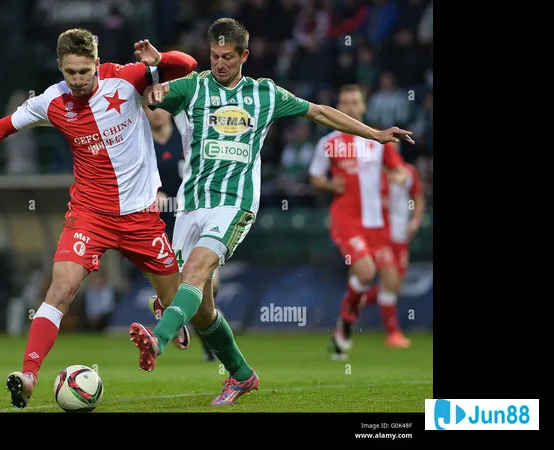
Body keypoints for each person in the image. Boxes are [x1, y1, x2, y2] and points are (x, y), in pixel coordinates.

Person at [128, 19, 414, 406]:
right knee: (202, 309)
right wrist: (157, 81)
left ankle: (157, 339)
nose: (220, 64)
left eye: (228, 57)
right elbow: (153, 95)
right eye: (214, 56)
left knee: (195, 274)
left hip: (234, 205)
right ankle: (242, 375)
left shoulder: (265, 93)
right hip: (191, 205)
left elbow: (321, 113)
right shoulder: (194, 87)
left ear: (245, 55)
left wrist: (374, 133)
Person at [0, 29, 197, 409]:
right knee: (61, 290)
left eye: (85, 71)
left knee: (182, 304)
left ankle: (168, 314)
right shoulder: (52, 100)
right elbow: (4, 126)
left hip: (141, 216)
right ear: (60, 66)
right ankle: (28, 375)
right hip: (90, 214)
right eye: (70, 72)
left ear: (97, 64)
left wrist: (159, 59)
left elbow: (187, 65)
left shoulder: (127, 77)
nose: (78, 80)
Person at [307, 84, 411, 360]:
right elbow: (315, 177)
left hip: (377, 223)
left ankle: (375, 331)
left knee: (391, 278)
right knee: (365, 272)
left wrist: (399, 177)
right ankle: (345, 325)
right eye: (345, 102)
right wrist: (330, 185)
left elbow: (399, 169)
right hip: (346, 220)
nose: (350, 107)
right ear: (339, 106)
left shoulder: (376, 140)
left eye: (355, 102)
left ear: (364, 107)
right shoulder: (328, 142)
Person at [143, 104, 217, 362]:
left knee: (208, 284)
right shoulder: (140, 141)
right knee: (184, 286)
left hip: (191, 217)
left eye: (161, 107)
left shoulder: (186, 138)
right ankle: (169, 310)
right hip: (158, 225)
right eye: (150, 107)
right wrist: (149, 193)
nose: (156, 112)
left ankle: (190, 326)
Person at [359, 161, 425, 347]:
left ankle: (357, 299)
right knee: (390, 280)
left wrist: (415, 220)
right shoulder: (371, 171)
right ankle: (393, 333)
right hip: (380, 235)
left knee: (395, 284)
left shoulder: (409, 170)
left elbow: (418, 197)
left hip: (401, 235)